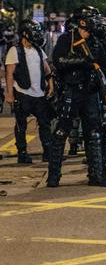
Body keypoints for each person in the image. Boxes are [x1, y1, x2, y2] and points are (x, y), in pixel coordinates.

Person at [48, 7, 106, 187]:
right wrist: (84, 62)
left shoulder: (96, 41)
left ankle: (96, 175)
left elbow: (104, 63)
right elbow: (59, 61)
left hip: (90, 92)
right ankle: (53, 176)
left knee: (94, 134)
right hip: (71, 90)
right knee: (61, 132)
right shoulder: (67, 39)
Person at [4, 20, 53, 164]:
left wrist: (51, 85)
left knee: (45, 124)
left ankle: (48, 152)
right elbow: (9, 73)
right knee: (21, 125)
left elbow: (46, 69)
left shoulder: (38, 50)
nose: (37, 35)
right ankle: (22, 153)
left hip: (39, 94)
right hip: (22, 93)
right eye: (35, 31)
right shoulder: (15, 50)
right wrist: (10, 94)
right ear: (25, 34)